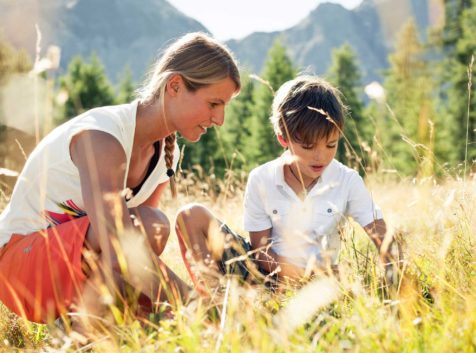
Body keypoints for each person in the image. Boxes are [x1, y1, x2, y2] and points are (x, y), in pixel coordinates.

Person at [0, 32, 240, 327]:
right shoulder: (102, 136)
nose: (220, 119)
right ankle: (83, 331)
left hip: (75, 275)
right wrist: (192, 305)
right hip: (20, 268)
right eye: (214, 104)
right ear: (175, 85)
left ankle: (88, 329)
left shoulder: (168, 156)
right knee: (149, 225)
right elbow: (120, 247)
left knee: (151, 229)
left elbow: (139, 252)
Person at [176, 75, 390, 291]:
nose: (320, 157)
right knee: (190, 215)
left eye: (331, 145)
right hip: (265, 275)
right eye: (307, 146)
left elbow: (381, 234)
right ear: (283, 138)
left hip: (319, 288)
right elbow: (260, 253)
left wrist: (395, 271)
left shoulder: (347, 180)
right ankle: (214, 303)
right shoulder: (261, 178)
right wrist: (302, 275)